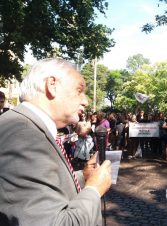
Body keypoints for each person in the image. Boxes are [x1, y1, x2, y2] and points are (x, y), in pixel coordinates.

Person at [0, 58, 112, 226]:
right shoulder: (23, 134)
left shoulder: (28, 127)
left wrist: (83, 177)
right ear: (52, 85)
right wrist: (94, 189)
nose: (85, 101)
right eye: (79, 90)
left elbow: (43, 186)